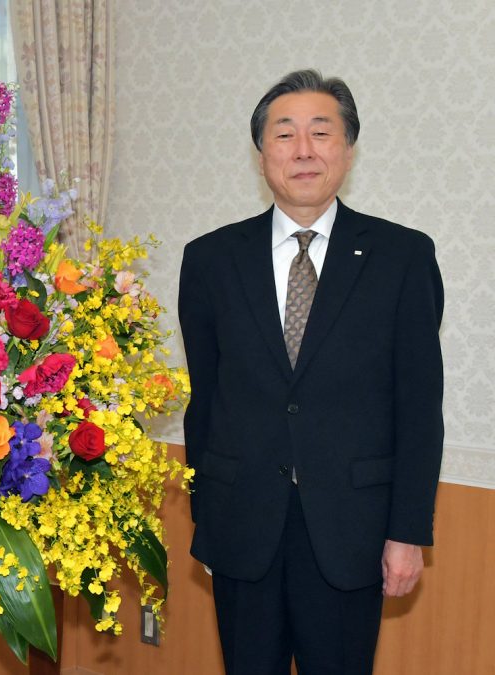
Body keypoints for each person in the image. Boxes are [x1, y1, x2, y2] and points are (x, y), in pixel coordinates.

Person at [178, 70, 444, 674]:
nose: (303, 150)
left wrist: (408, 532)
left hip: (353, 530)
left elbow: (420, 407)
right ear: (261, 152)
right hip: (243, 526)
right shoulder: (211, 259)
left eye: (321, 133)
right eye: (285, 134)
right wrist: (209, 520)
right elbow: (207, 400)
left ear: (347, 149)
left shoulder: (402, 257)